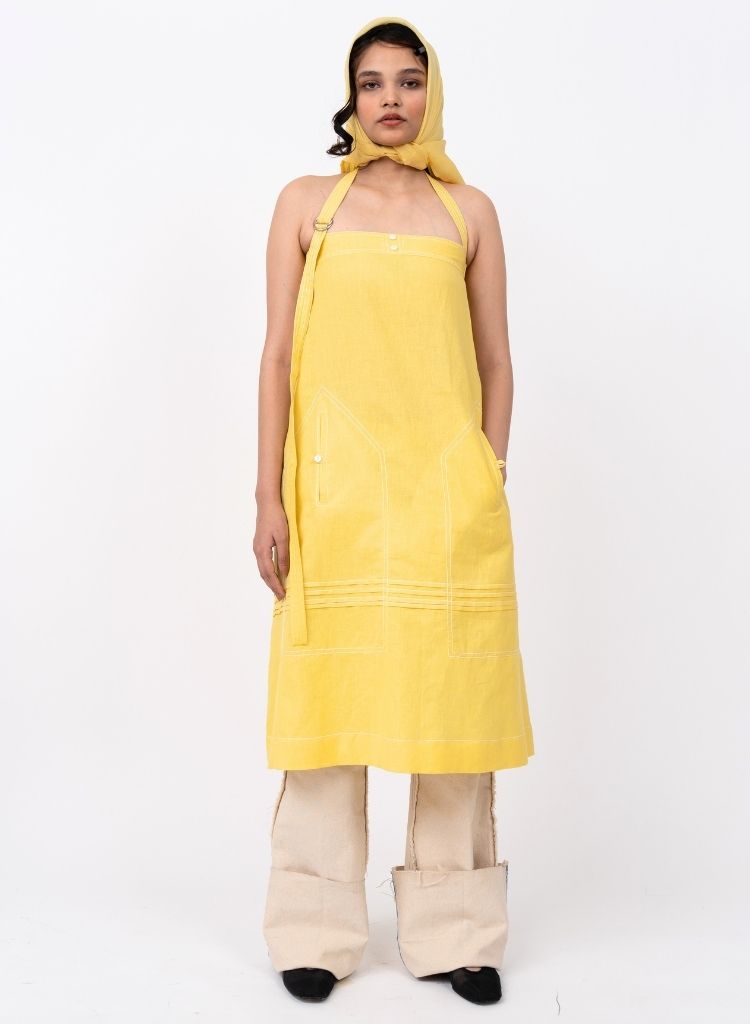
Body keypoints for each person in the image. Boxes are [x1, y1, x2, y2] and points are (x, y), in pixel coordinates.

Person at [253, 15, 535, 1005]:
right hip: (333, 501)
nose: (389, 99)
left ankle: (459, 934)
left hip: (444, 507)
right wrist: (267, 494)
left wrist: (485, 472)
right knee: (327, 720)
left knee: (452, 720)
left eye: (408, 81)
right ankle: (314, 930)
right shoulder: (306, 206)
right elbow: (277, 357)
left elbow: (497, 359)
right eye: (371, 82)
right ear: (350, 97)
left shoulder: (468, 212)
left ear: (431, 92)